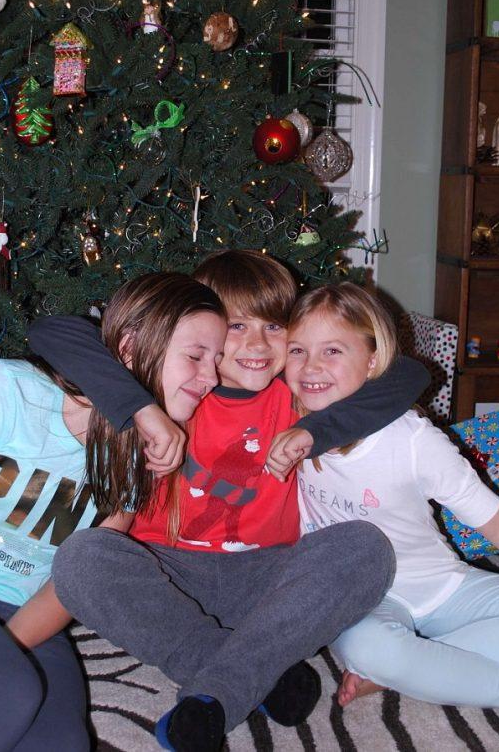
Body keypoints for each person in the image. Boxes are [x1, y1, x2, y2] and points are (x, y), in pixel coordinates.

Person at [29, 250, 429, 751]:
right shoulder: (174, 385)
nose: (257, 344)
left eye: (274, 326)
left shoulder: (298, 393)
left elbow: (409, 373)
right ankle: (251, 673)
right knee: (82, 558)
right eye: (237, 326)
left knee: (365, 548)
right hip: (164, 572)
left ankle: (220, 686)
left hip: (267, 577)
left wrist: (314, 431)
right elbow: (51, 331)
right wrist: (143, 411)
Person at [0, 272, 227, 751]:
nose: (212, 377)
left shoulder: (146, 455)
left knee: (57, 741)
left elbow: (71, 584)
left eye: (217, 360)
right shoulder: (11, 390)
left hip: (21, 609)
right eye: (196, 356)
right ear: (129, 346)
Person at [270, 282, 499, 709]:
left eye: (332, 351)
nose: (311, 367)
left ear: (374, 361)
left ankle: (407, 669)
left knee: (388, 657)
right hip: (362, 601)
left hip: (442, 586)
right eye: (297, 350)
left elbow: (495, 521)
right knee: (372, 651)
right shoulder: (280, 420)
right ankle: (401, 665)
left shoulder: (413, 440)